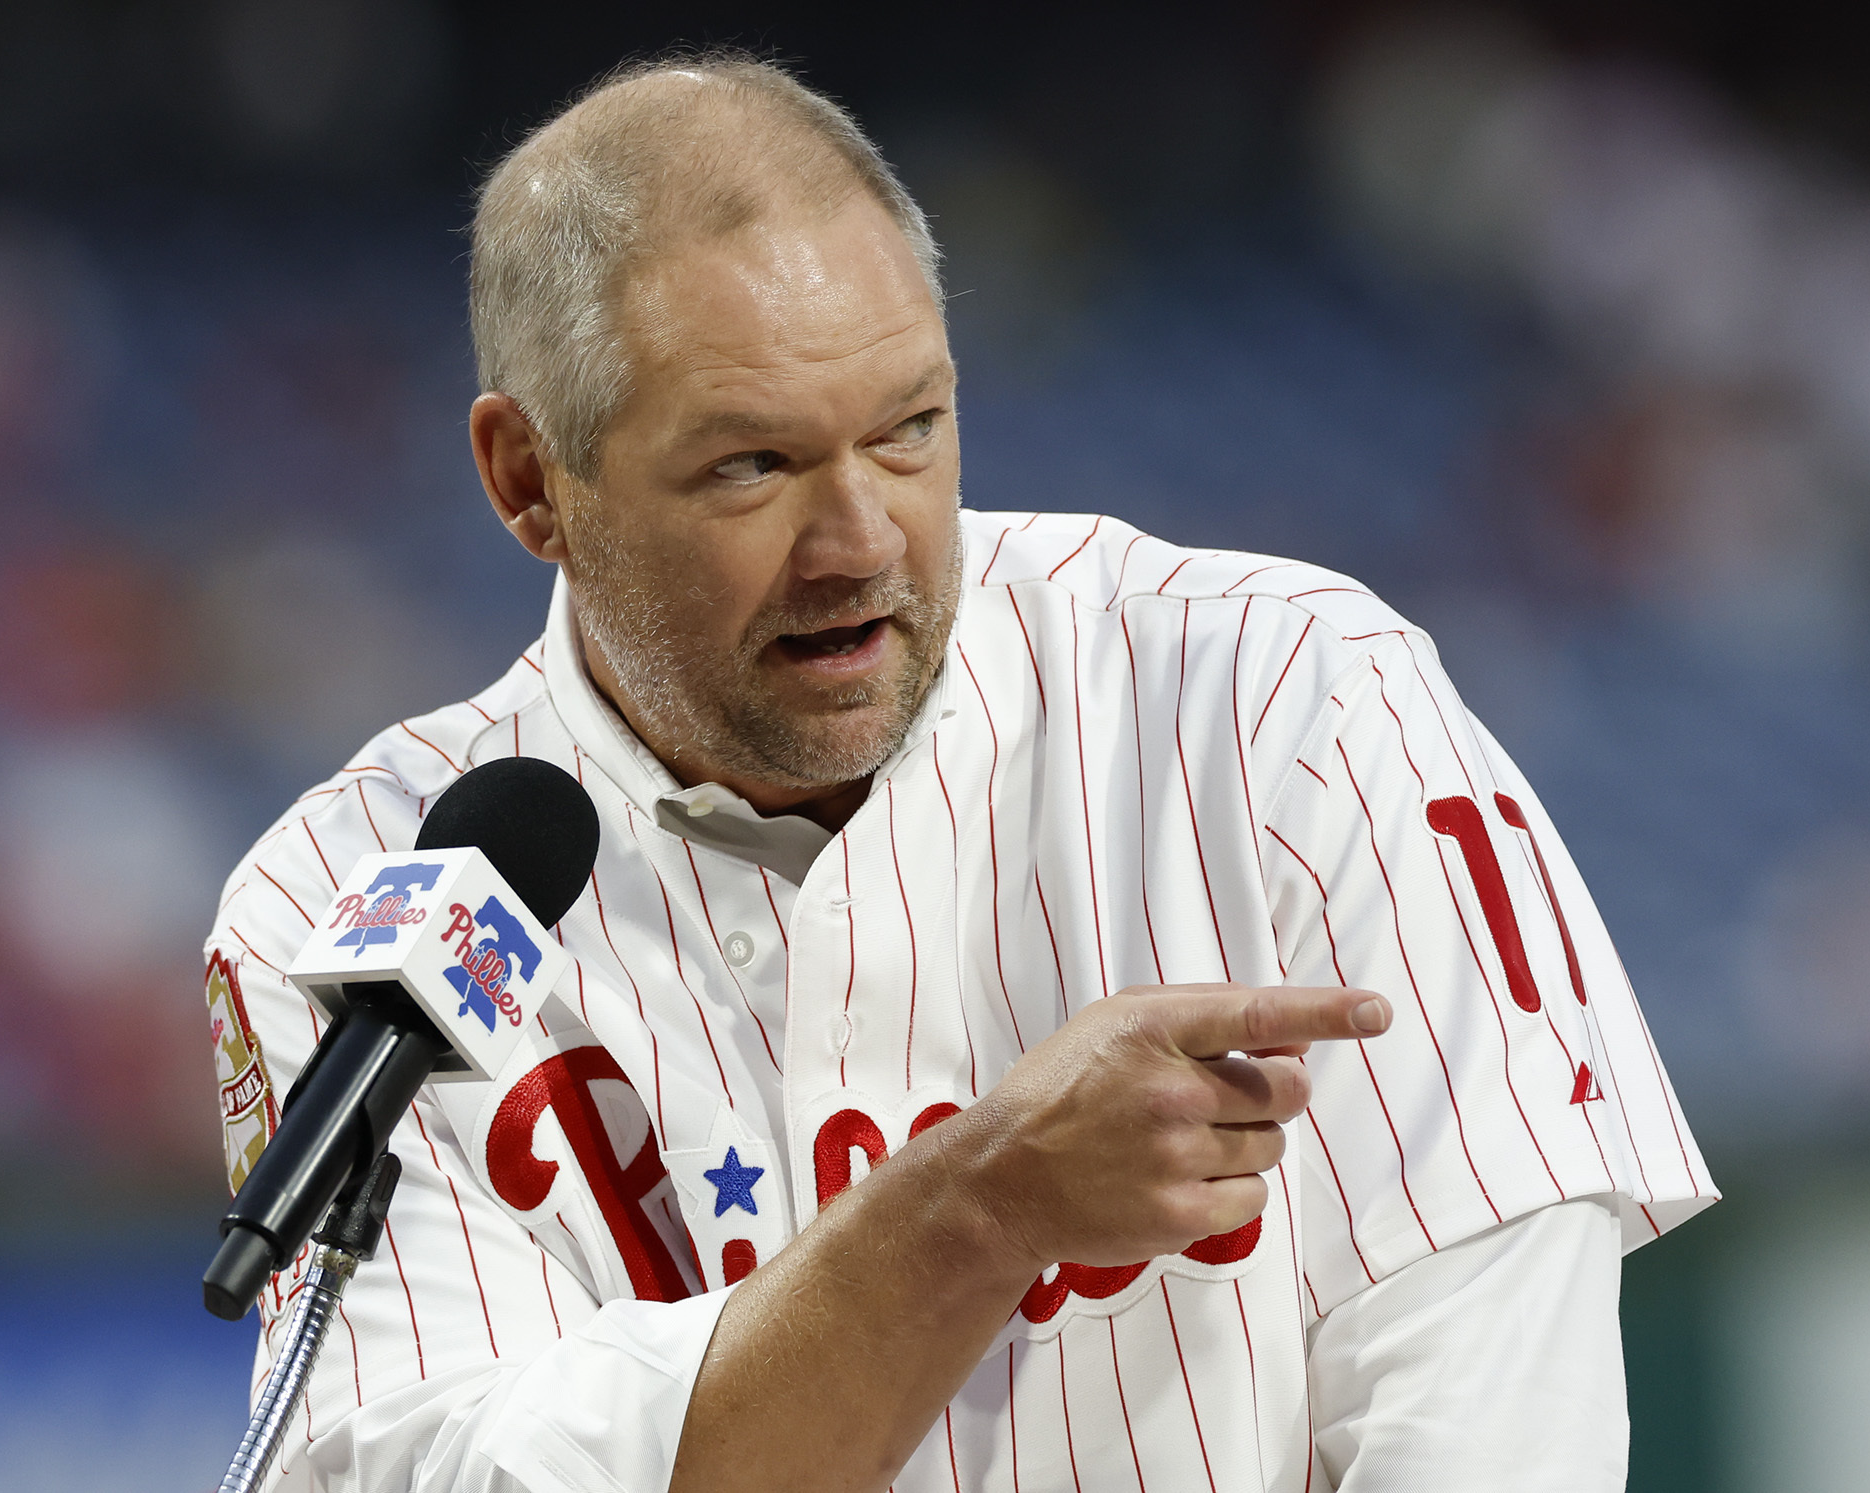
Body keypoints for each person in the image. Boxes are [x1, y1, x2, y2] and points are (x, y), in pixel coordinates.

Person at [203, 52, 1715, 1493]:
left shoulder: (1290, 702)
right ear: (531, 480)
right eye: (753, 464)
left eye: (911, 427)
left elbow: (1494, 1411)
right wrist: (976, 1205)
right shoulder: (347, 909)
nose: (862, 537)